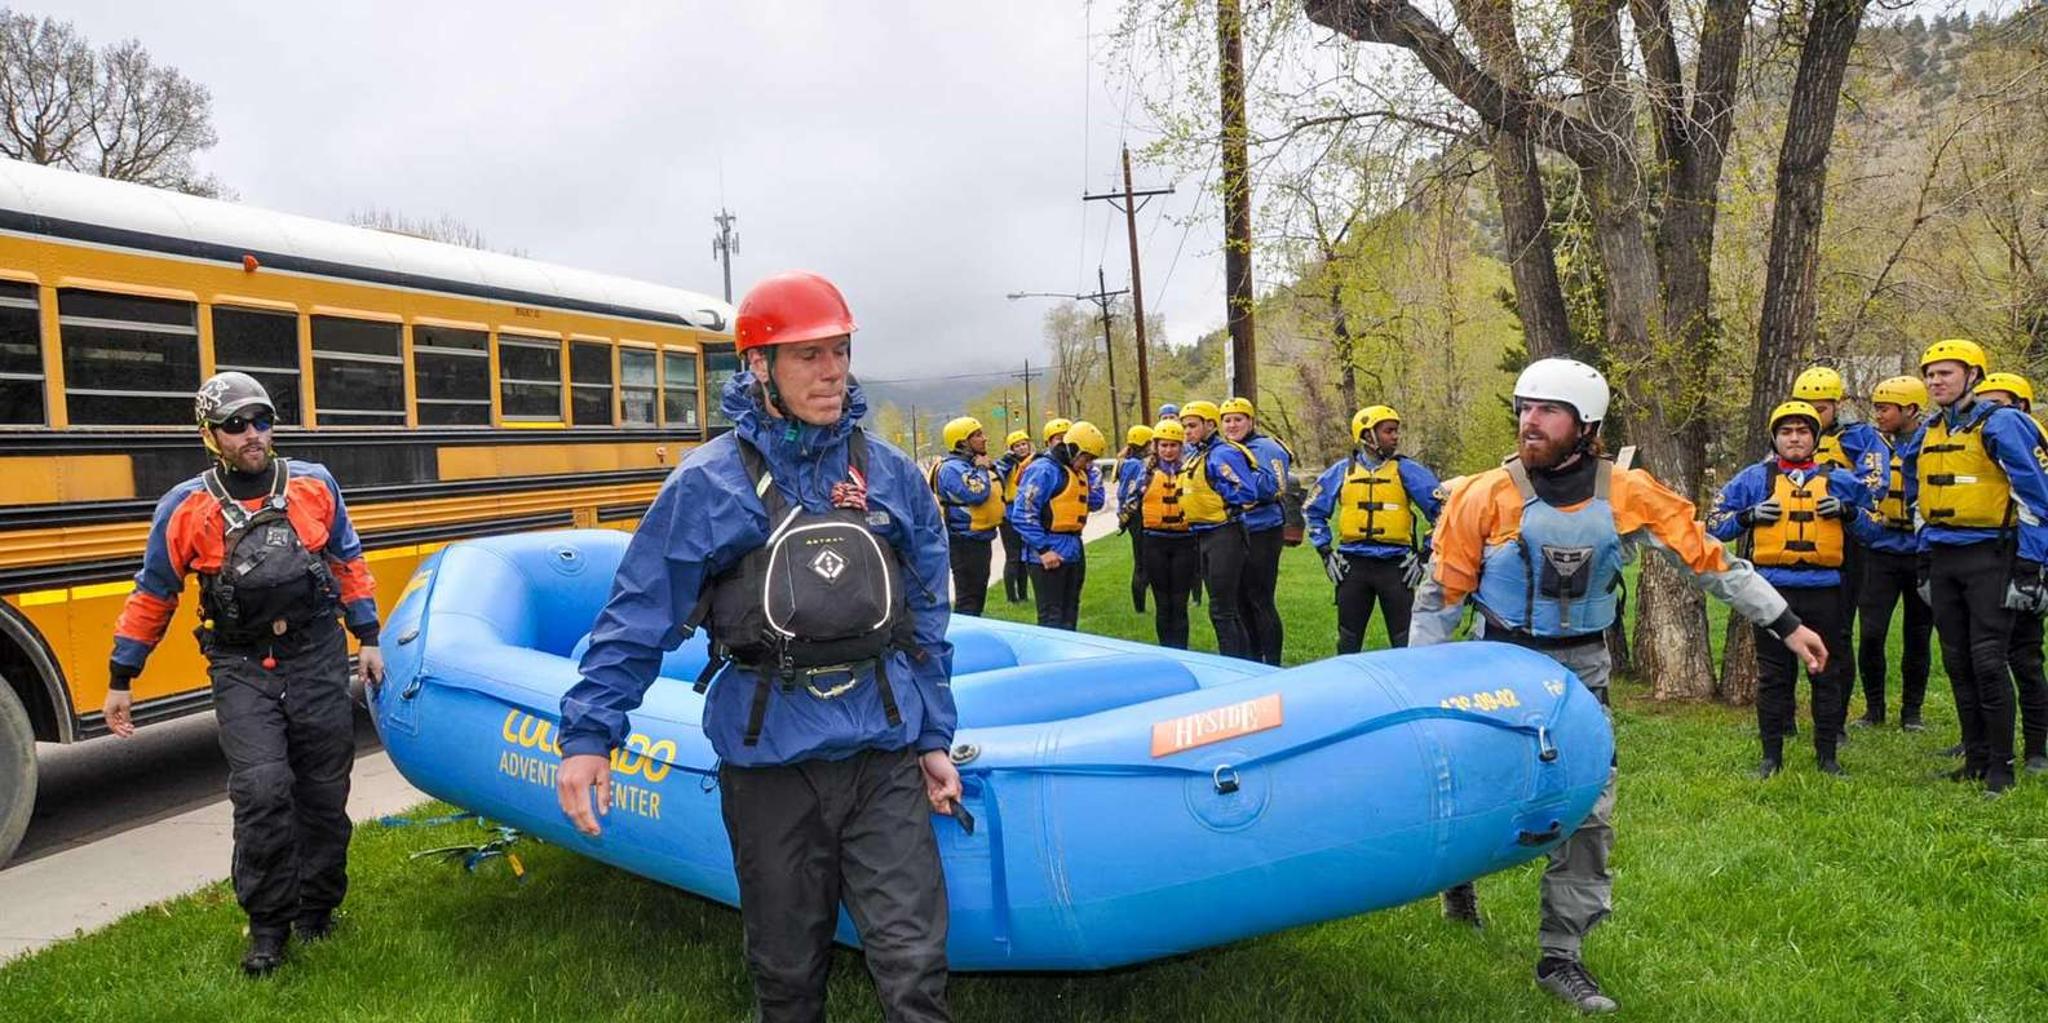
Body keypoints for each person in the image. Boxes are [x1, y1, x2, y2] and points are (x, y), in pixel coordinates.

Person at [556, 271, 961, 1023]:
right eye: (807, 356)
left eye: (839, 350)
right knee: (786, 969)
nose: (832, 370)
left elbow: (926, 616)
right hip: (769, 756)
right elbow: (639, 613)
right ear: (759, 367)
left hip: (881, 751)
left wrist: (934, 735)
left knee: (913, 964)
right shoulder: (708, 484)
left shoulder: (892, 477)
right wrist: (588, 734)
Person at [1418, 358, 1827, 1014]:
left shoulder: (1629, 491)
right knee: (1478, 790)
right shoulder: (1483, 494)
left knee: (1589, 807)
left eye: (1548, 410)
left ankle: (1561, 954)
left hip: (1580, 669)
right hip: (1493, 665)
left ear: (1586, 426)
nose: (1530, 419)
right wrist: (1424, 684)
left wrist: (1786, 622)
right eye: (1525, 406)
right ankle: (1458, 882)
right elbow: (1440, 596)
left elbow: (1712, 561)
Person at [103, 371, 384, 977]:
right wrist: (121, 675)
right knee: (261, 792)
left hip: (316, 657)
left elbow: (347, 560)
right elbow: (154, 593)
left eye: (261, 420)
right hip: (241, 666)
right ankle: (267, 927)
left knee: (322, 792)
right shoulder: (186, 506)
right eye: (235, 425)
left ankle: (317, 909)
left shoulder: (314, 485)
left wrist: (368, 638)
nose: (252, 434)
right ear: (210, 435)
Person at [1903, 339, 2048, 795]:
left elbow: (2035, 498)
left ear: (1974, 376)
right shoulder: (1929, 431)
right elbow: (1919, 500)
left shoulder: (2003, 424)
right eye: (1930, 374)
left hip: (1992, 556)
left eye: (1946, 373)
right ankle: (1975, 757)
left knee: (1988, 661)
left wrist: (2030, 566)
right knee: (1958, 662)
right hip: (1945, 559)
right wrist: (1925, 560)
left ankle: (2002, 769)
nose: (1935, 381)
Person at [1709, 401, 1878, 777]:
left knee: (1826, 673)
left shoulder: (1839, 480)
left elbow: (1877, 527)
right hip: (1770, 592)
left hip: (1826, 590)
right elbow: (1714, 524)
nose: (1795, 438)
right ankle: (1771, 757)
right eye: (1787, 432)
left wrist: (1849, 513)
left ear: (1815, 438)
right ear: (1775, 438)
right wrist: (1747, 517)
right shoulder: (1754, 479)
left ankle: (1828, 757)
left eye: (1803, 431)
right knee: (1773, 675)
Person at [1304, 405, 1443, 653]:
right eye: (1389, 431)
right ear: (1368, 435)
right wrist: (1325, 551)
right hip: (1353, 567)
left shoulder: (1406, 470)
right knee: (1348, 641)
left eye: (1396, 431)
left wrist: (1425, 554)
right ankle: (1347, 687)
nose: (1395, 437)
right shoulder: (1342, 471)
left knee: (1404, 642)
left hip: (1395, 567)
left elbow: (1444, 513)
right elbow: (1313, 509)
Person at [1965, 372, 2048, 773]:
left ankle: (2036, 747)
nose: (1990, 410)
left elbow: (2037, 504)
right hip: (1993, 558)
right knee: (1984, 657)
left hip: (2029, 558)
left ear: (2022, 406)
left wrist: (2033, 569)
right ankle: (1980, 743)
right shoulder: (1978, 439)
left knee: (2026, 658)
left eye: (2000, 402)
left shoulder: (2032, 444)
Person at [1856, 376, 1935, 732]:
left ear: (1911, 410)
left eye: (1885, 408)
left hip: (1919, 552)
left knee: (1917, 635)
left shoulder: (1931, 444)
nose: (1879, 415)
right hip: (1880, 552)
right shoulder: (1872, 448)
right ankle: (1874, 710)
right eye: (1877, 408)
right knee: (1872, 634)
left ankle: (1912, 713)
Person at [1177, 400, 1273, 659]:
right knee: (1222, 609)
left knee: (1223, 610)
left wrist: (1222, 497)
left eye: (1192, 426)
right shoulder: (1197, 454)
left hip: (1225, 535)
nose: (1187, 431)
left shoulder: (1223, 454)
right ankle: (1242, 660)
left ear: (1210, 424)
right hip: (1205, 535)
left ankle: (1234, 664)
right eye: (1185, 426)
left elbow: (1247, 491)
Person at [1010, 420, 1109, 630]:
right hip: (1047, 552)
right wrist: (1044, 550)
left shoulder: (1078, 471)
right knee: (1051, 618)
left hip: (1073, 549)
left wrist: (1093, 475)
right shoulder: (1043, 470)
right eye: (1087, 458)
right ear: (1073, 449)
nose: (1088, 464)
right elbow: (1022, 514)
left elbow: (1094, 503)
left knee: (1070, 613)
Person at [1220, 397, 1293, 665]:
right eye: (1227, 420)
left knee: (1260, 598)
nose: (1232, 425)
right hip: (1234, 531)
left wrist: (1237, 481)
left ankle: (1272, 661)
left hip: (1263, 530)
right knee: (1238, 600)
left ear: (1250, 421)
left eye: (1238, 419)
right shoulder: (1223, 450)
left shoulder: (1266, 448)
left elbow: (1276, 487)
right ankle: (1251, 658)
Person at [1132, 419, 1201, 647]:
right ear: (1156, 447)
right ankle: (1166, 648)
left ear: (1181, 447)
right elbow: (1128, 500)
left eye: (1173, 445)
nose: (1168, 450)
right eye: (1164, 446)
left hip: (1185, 541)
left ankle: (1182, 649)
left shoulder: (1191, 469)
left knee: (1179, 603)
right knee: (1162, 603)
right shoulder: (1146, 472)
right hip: (1154, 542)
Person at [931, 416, 1005, 616]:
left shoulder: (969, 466)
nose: (985, 439)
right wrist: (982, 467)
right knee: (969, 600)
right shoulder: (952, 469)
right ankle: (962, 643)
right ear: (962, 442)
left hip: (980, 538)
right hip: (964, 541)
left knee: (977, 596)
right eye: (978, 435)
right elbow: (977, 494)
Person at [1116, 424, 1156, 613]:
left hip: (1132, 515)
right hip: (1138, 514)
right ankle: (1139, 608)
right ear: (1146, 443)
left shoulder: (1125, 461)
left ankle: (1140, 607)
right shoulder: (1135, 464)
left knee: (1142, 561)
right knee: (1142, 563)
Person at [994, 429, 1035, 604]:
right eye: (1017, 446)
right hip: (1009, 514)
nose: (1021, 448)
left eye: (1023, 444)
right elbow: (997, 474)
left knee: (1024, 555)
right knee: (1013, 556)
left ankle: (1024, 595)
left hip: (1026, 511)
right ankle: (1012, 597)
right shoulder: (1006, 464)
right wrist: (1005, 462)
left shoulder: (1034, 462)